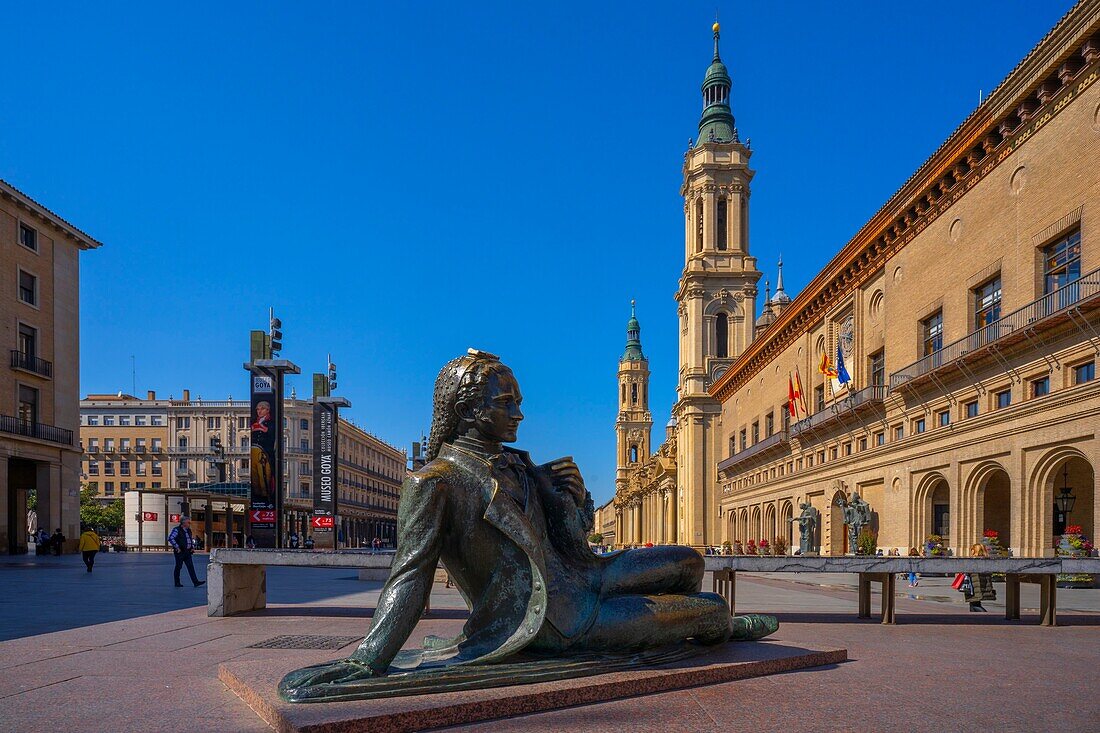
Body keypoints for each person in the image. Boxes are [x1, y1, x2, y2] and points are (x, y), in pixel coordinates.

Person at [281, 350, 776, 695]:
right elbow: (408, 578)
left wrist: (572, 499)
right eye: (507, 403)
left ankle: (698, 622)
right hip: (555, 619)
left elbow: (572, 540)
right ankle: (722, 626)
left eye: (517, 401)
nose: (520, 412)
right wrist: (367, 657)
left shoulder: (521, 466)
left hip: (585, 576)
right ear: (469, 410)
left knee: (689, 562)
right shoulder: (436, 482)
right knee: (708, 607)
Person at [167, 516, 205, 588]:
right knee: (178, 567)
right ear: (183, 522)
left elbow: (190, 540)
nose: (189, 523)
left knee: (191, 567)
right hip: (180, 552)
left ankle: (195, 582)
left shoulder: (188, 530)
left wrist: (191, 547)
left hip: (187, 552)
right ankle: (177, 582)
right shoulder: (177, 530)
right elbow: (170, 538)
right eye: (188, 522)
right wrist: (177, 547)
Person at [964, 543, 996, 612]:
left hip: (974, 587)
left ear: (975, 550)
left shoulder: (974, 561)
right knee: (973, 604)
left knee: (975, 605)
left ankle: (987, 616)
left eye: (972, 550)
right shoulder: (986, 561)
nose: (971, 551)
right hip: (981, 587)